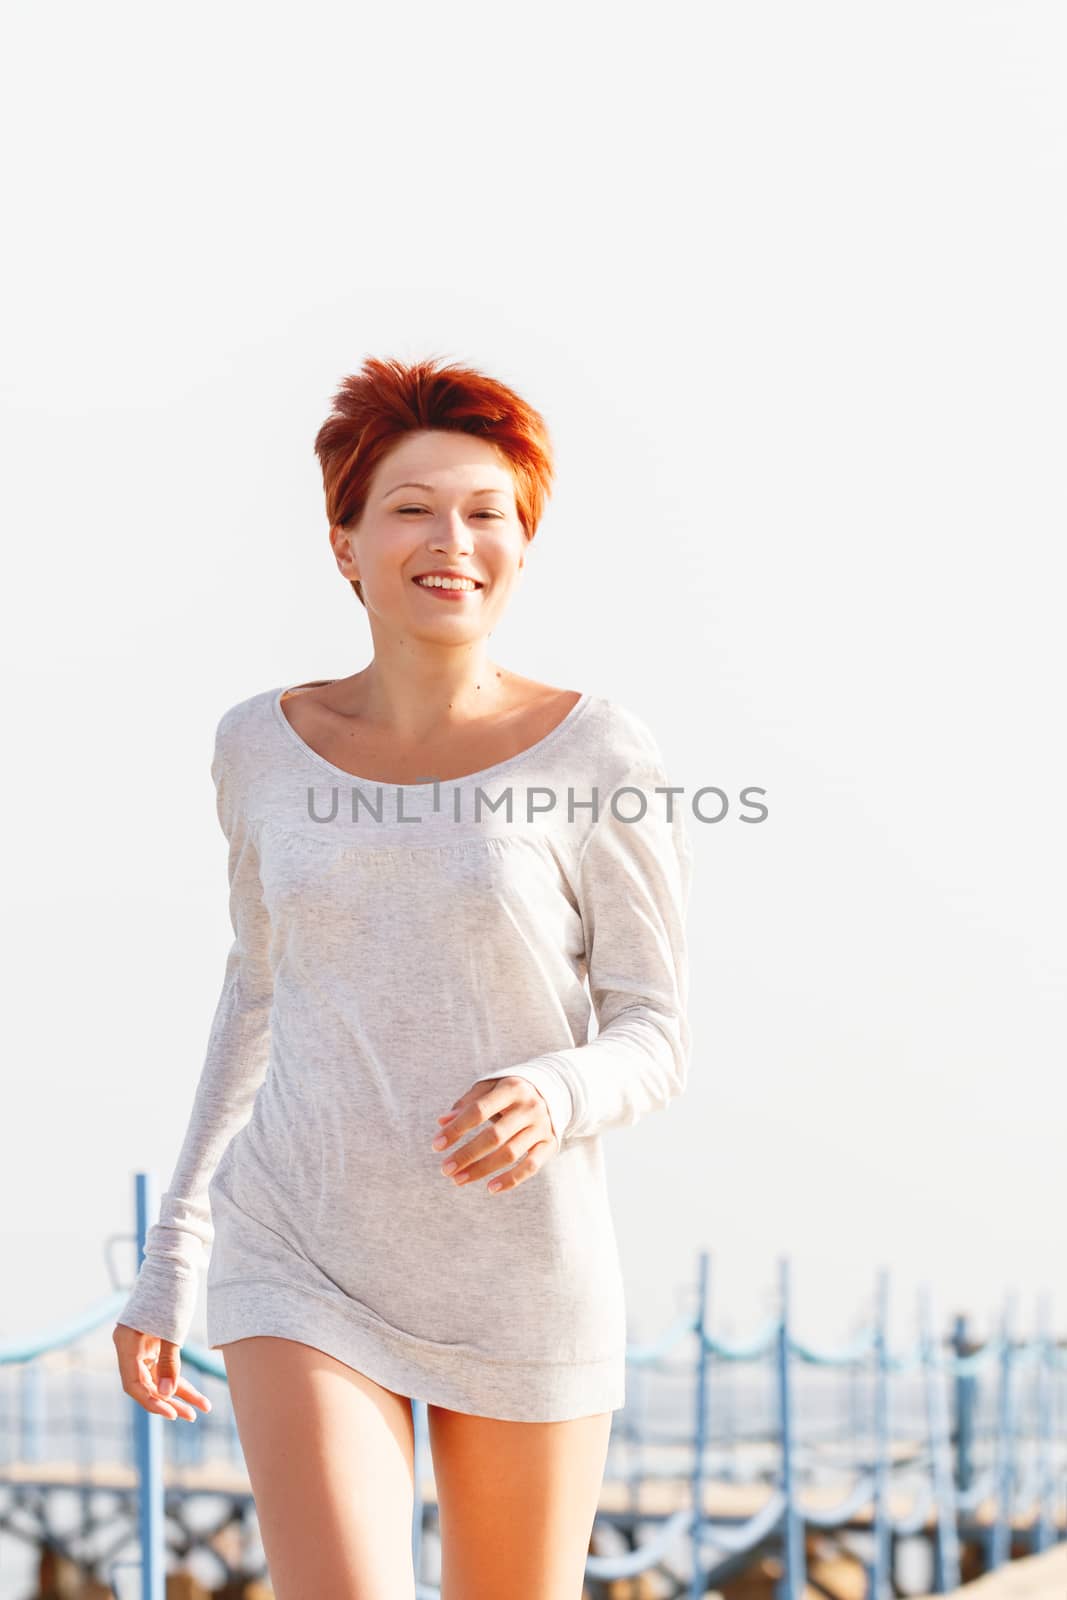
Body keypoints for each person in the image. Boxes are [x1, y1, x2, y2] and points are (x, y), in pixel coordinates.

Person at [113, 353, 694, 1599]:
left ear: (523, 546)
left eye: (488, 512)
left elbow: (652, 1029)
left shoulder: (598, 749)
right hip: (298, 1243)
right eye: (413, 507)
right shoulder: (259, 746)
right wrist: (178, 1247)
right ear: (345, 542)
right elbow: (256, 993)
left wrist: (555, 1088)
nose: (453, 539)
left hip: (519, 1265)